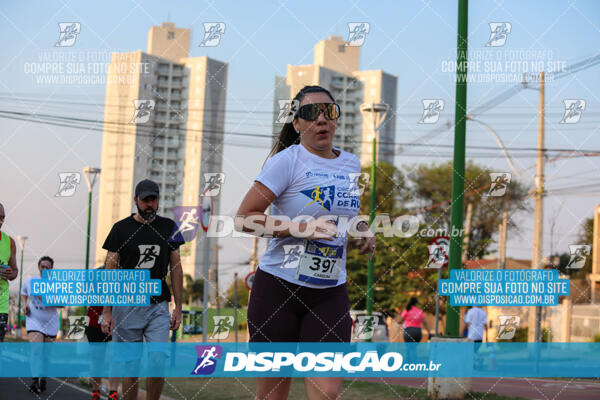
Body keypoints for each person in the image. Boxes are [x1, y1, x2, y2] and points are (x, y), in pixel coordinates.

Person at [235, 85, 376, 400]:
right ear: (297, 123)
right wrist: (301, 228)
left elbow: (347, 213)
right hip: (277, 289)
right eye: (312, 113)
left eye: (330, 111)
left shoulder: (351, 164)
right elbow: (244, 218)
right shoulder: (287, 162)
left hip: (328, 292)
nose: (322, 120)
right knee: (273, 395)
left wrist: (363, 227)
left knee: (327, 392)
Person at [101, 179, 184, 400]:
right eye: (145, 199)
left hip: (158, 305)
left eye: (153, 199)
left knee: (157, 361)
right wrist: (107, 311)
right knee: (131, 366)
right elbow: (110, 272)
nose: (149, 204)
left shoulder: (169, 228)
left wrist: (178, 307)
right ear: (135, 200)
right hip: (126, 306)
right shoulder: (120, 229)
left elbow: (176, 269)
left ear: (158, 200)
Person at [21, 256, 60, 394]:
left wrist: (45, 298)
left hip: (51, 322)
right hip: (34, 320)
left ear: (51, 269)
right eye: (42, 266)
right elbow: (23, 293)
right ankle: (34, 380)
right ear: (39, 267)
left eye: (47, 267)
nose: (44, 269)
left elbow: (62, 304)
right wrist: (24, 305)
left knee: (46, 355)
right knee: (36, 349)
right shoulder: (30, 281)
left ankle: (43, 378)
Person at [87, 267, 120, 400]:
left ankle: (113, 391)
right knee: (97, 360)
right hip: (96, 323)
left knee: (115, 357)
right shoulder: (96, 274)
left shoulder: (122, 276)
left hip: (116, 323)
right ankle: (96, 390)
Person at [0, 203, 19, 342]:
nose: (1, 222)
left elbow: (15, 271)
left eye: (2, 218)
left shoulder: (9, 242)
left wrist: (10, 274)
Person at [399, 297, 430, 362]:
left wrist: (399, 322)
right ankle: (408, 363)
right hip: (418, 332)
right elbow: (425, 323)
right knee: (411, 348)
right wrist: (429, 332)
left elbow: (400, 320)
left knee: (411, 348)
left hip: (409, 331)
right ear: (416, 303)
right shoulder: (420, 311)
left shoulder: (407, 310)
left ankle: (414, 363)